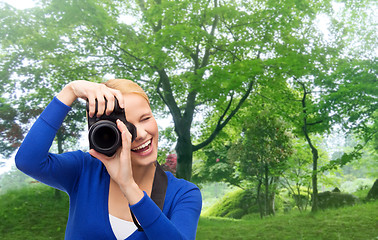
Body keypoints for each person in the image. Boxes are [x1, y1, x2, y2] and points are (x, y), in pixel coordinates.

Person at [15, 79, 202, 240]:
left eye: (145, 118)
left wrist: (128, 186)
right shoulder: (85, 169)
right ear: (107, 133)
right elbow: (28, 161)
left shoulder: (183, 194)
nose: (141, 134)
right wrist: (71, 90)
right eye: (126, 127)